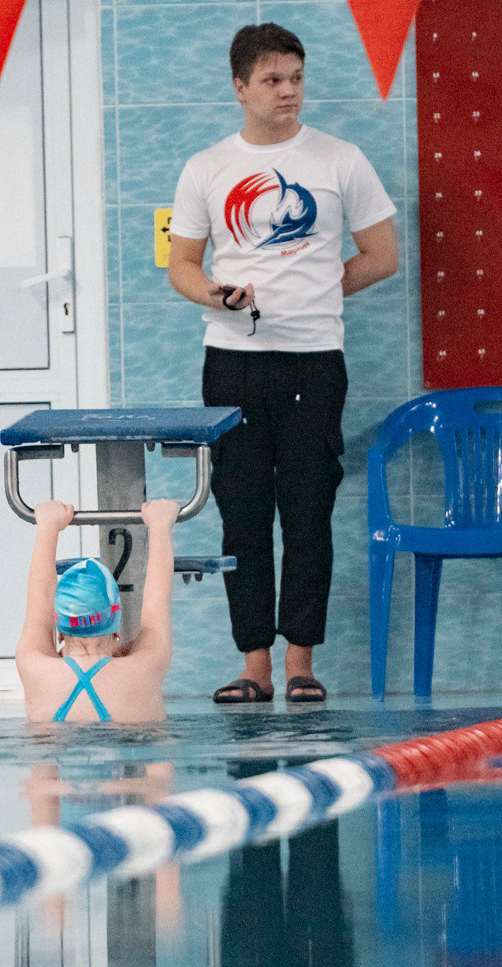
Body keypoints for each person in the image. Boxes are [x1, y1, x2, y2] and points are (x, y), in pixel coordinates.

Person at [167, 23, 398, 706]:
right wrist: (214, 292)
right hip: (233, 361)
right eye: (272, 80)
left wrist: (320, 291)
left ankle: (300, 663)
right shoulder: (206, 167)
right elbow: (181, 265)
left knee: (307, 513)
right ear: (240, 87)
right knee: (241, 514)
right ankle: (254, 665)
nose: (288, 92)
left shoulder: (340, 160)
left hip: (313, 363)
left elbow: (382, 256)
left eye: (296, 78)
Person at [16, 499, 178, 722]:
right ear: (116, 628)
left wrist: (47, 526)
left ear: (60, 632)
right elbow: (156, 605)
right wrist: (160, 524)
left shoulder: (34, 668)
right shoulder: (144, 668)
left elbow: (39, 604)